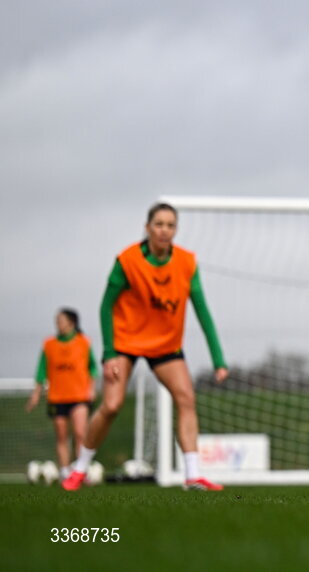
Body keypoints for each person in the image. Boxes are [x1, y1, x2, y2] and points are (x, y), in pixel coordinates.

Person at [62, 203, 229, 491]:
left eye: (170, 225)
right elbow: (106, 307)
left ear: (176, 230)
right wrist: (109, 353)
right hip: (126, 341)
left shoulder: (187, 263)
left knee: (186, 397)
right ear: (147, 227)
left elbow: (202, 311)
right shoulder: (127, 261)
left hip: (165, 345)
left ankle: (192, 474)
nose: (164, 230)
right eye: (159, 224)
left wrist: (218, 359)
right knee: (112, 405)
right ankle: (80, 469)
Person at [25, 308, 98, 482]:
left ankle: (80, 471)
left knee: (81, 433)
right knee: (62, 436)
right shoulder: (49, 344)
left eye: (60, 320)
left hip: (79, 396)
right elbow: (41, 371)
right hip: (57, 397)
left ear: (71, 322)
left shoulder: (83, 342)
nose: (57, 323)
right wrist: (36, 394)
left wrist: (92, 388)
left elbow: (93, 367)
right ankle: (65, 471)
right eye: (56, 320)